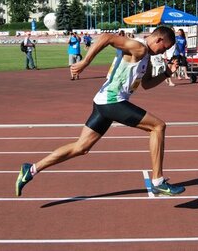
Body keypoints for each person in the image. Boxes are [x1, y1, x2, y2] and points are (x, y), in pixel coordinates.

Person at [15, 26, 185, 197]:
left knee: (81, 147)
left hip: (104, 103)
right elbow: (106, 37)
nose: (164, 53)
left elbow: (147, 84)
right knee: (158, 127)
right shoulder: (139, 47)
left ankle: (31, 169)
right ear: (158, 40)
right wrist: (85, 62)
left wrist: (166, 74)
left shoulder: (146, 56)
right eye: (165, 48)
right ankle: (158, 181)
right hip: (113, 102)